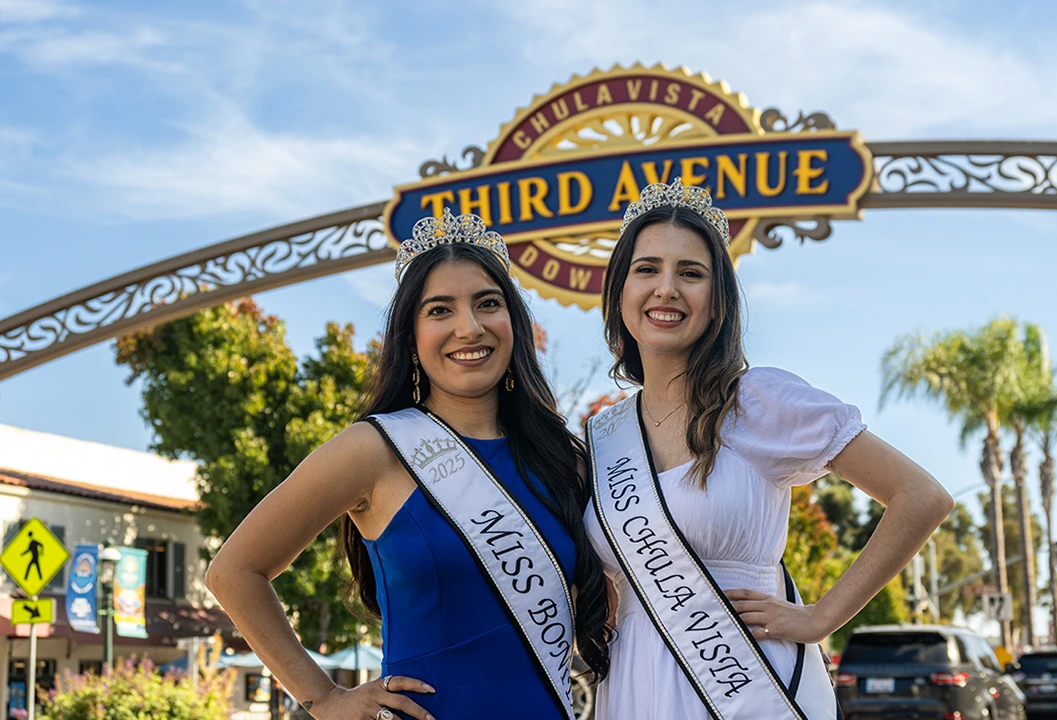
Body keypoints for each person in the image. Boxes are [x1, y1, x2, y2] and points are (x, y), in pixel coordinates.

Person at [207, 209, 611, 720]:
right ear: (412, 336)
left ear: (513, 321)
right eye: (440, 310)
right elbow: (234, 572)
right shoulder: (374, 450)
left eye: (488, 304)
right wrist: (324, 698)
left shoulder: (564, 459)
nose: (469, 327)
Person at [584, 179, 955, 719]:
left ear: (717, 301)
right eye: (647, 269)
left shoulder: (756, 400)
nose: (666, 288)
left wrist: (820, 618)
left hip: (749, 683)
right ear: (620, 292)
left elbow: (922, 496)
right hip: (636, 685)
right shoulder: (604, 437)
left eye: (691, 273)